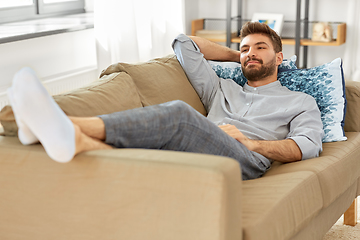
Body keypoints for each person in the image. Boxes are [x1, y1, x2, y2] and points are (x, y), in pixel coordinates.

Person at [7, 22, 324, 180]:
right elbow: (184, 44)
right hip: (199, 146)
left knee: (180, 114)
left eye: (260, 48)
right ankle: (72, 138)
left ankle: (58, 123)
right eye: (245, 48)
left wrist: (252, 144)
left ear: (280, 57)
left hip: (245, 157)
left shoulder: (301, 101)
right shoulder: (221, 88)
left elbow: (306, 146)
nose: (251, 52)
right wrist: (240, 57)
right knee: (155, 143)